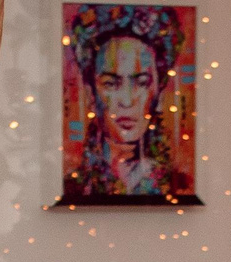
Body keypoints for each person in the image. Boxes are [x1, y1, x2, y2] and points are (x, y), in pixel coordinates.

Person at [65, 7, 189, 201]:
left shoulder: (180, 187)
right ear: (91, 94)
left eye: (141, 83)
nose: (127, 101)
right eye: (111, 83)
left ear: (159, 93)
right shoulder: (74, 189)